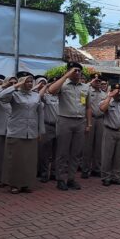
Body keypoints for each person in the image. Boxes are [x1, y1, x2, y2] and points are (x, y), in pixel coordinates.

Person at [48, 62, 92, 191]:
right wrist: (66, 76)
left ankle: (71, 178)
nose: (77, 73)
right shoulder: (63, 85)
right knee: (62, 152)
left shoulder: (85, 87)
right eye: (74, 71)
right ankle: (60, 179)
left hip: (80, 122)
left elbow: (88, 107)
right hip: (65, 120)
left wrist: (89, 124)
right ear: (69, 71)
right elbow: (51, 90)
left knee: (76, 152)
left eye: (79, 71)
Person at [0, 72, 44, 194]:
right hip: (16, 131)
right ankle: (14, 184)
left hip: (32, 132)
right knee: (15, 160)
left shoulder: (36, 96)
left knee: (29, 160)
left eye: (30, 82)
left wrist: (40, 131)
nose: (29, 84)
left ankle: (27, 184)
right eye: (26, 81)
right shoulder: (14, 94)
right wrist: (16, 85)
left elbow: (40, 114)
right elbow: (1, 96)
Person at [98, 83, 120, 186]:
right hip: (110, 131)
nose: (118, 93)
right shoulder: (107, 101)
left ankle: (116, 176)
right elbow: (102, 109)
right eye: (116, 91)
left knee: (119, 156)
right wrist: (109, 96)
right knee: (107, 155)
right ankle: (106, 177)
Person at [82, 75, 107, 178]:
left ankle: (96, 169)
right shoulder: (87, 91)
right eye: (96, 80)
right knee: (87, 146)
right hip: (90, 119)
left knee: (98, 146)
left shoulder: (104, 94)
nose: (98, 82)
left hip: (100, 119)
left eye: (99, 81)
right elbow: (83, 103)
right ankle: (85, 170)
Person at [37, 76, 58, 183]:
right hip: (48, 126)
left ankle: (54, 173)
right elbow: (38, 96)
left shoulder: (62, 96)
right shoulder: (46, 96)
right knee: (45, 152)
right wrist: (46, 86)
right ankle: (44, 174)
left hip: (60, 126)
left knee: (57, 152)